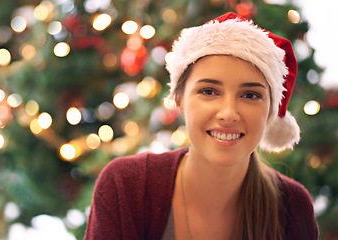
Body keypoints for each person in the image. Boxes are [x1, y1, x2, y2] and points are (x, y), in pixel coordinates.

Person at [84, 12, 319, 240]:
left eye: (250, 95)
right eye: (208, 91)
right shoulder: (126, 186)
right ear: (179, 100)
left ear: (270, 111)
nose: (229, 113)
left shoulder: (293, 206)